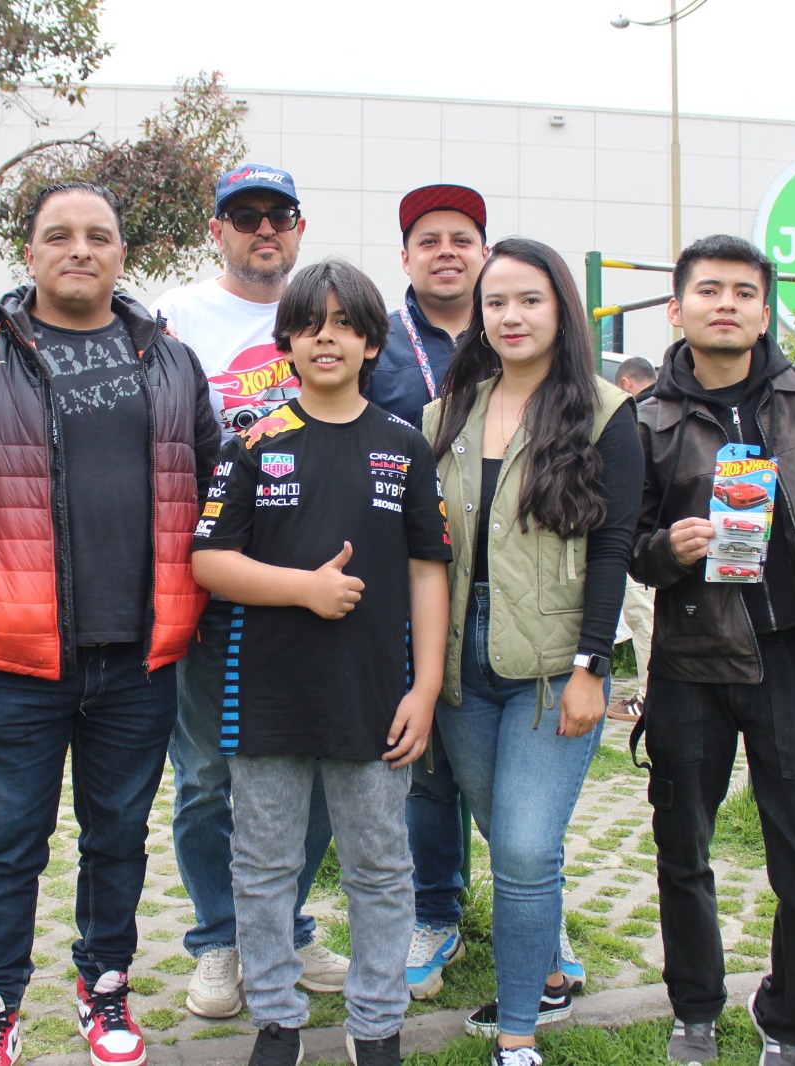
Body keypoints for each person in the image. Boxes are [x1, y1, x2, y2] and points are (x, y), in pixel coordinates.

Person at [0, 182, 219, 1066]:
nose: (80, 248)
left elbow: (213, 481)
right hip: (16, 661)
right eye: (59, 235)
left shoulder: (169, 359)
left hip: (143, 662)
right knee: (7, 847)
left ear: (122, 255)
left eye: (99, 235)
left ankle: (105, 986)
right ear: (30, 252)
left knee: (116, 838)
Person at [191, 257, 452, 1066]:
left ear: (373, 342)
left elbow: (427, 570)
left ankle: (377, 1024)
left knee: (379, 866)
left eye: (345, 324)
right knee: (264, 865)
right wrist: (303, 589)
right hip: (262, 697)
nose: (327, 338)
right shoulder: (251, 443)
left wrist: (429, 686)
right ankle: (276, 1017)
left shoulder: (406, 448)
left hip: (375, 698)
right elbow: (209, 563)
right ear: (287, 343)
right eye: (310, 325)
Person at [424, 238, 641, 1066]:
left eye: (529, 300)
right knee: (501, 832)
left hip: (554, 669)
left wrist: (593, 667)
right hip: (461, 664)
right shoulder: (447, 414)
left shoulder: (604, 412)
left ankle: (518, 1034)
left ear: (562, 311)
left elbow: (614, 548)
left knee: (522, 846)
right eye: (495, 302)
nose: (510, 316)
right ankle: (549, 966)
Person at [630, 234, 795, 1066]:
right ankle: (695, 1009)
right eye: (709, 290)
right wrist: (666, 549)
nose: (728, 303)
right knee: (682, 847)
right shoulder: (644, 419)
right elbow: (625, 545)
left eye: (745, 292)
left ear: (766, 309)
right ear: (677, 308)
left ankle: (786, 1020)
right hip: (689, 661)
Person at [153, 163, 348, 1020]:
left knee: (305, 772)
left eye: (280, 215)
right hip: (207, 581)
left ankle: (286, 928)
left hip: (312, 582)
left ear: (301, 227)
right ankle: (221, 941)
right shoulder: (174, 322)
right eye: (245, 216)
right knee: (205, 779)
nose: (263, 230)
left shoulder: (329, 312)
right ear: (217, 228)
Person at [364, 184, 489, 1001]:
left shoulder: (517, 327)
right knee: (428, 756)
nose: (447, 251)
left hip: (507, 586)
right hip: (407, 581)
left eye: (463, 238)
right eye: (429, 239)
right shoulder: (381, 345)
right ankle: (434, 910)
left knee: (509, 754)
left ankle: (531, 908)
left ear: (484, 251)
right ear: (406, 257)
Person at [606, 357, 658, 723]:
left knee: (644, 619)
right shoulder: (670, 407)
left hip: (641, 539)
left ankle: (647, 697)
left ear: (626, 383)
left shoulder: (643, 416)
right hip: (660, 539)